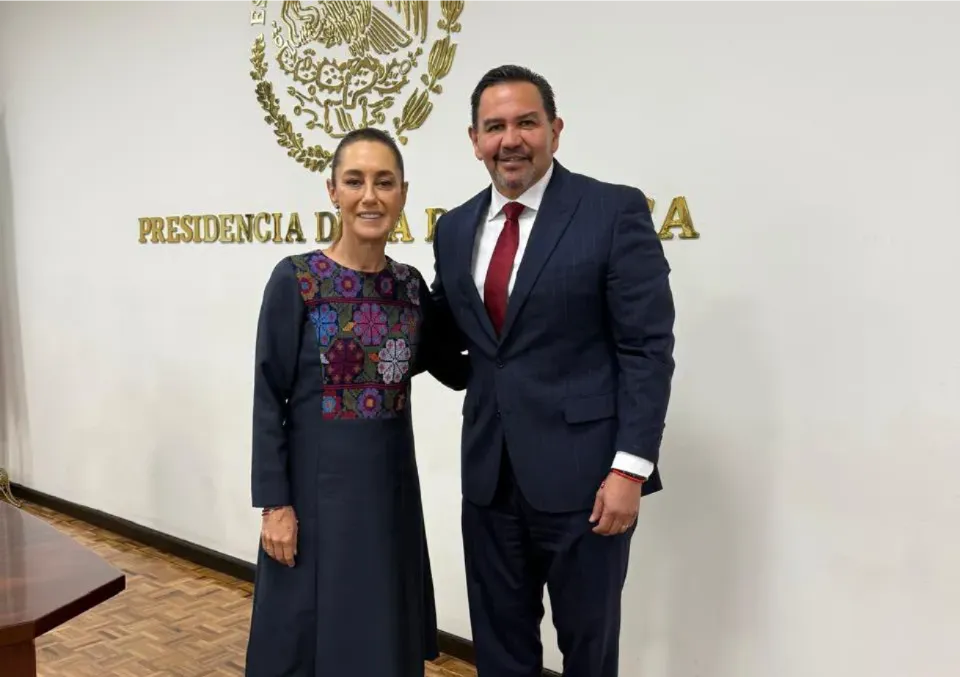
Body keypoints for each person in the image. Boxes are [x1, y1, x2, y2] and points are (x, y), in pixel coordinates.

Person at [429, 65, 676, 677]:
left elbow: (646, 349)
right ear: (475, 141)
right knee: (500, 650)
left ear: (555, 130)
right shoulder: (454, 228)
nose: (510, 140)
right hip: (489, 481)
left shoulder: (611, 210)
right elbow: (450, 331)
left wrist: (630, 469)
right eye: (494, 127)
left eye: (526, 123)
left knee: (588, 652)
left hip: (588, 484)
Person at [245, 127, 468, 677]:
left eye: (384, 182)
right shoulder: (296, 280)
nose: (370, 196)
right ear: (333, 192)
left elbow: (457, 367)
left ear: (403, 194)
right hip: (314, 502)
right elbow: (269, 396)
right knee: (306, 644)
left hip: (389, 500)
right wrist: (275, 505)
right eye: (355, 181)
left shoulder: (410, 288)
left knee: (380, 641)